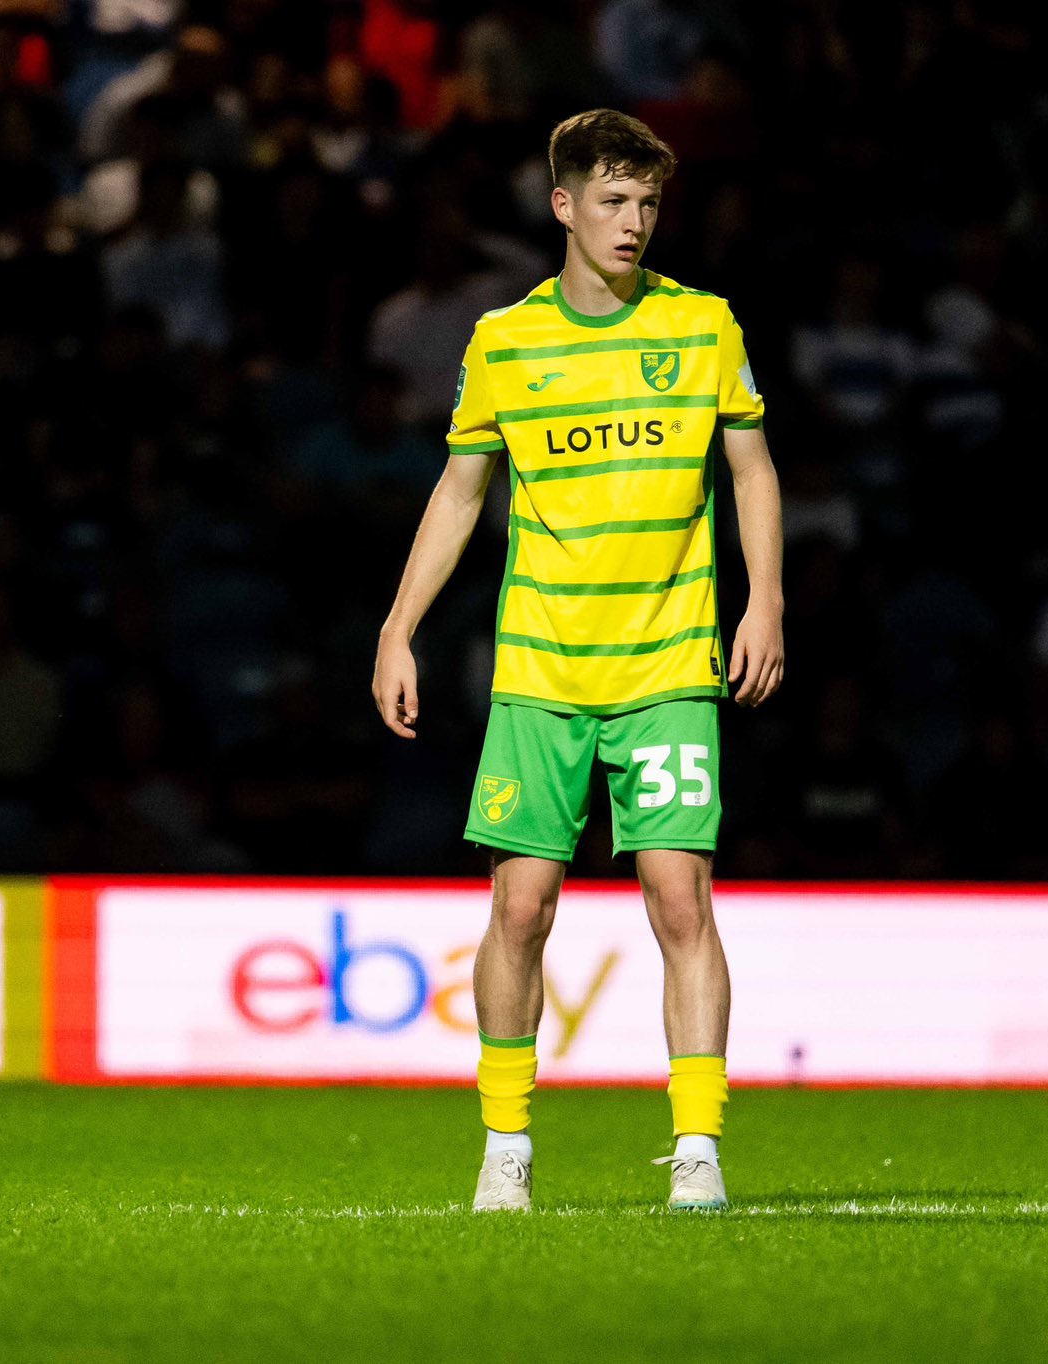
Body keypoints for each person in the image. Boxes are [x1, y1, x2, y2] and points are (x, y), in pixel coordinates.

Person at [370, 110, 784, 1214]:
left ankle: (696, 1148)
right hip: (541, 669)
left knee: (679, 897)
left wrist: (765, 601)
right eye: (611, 201)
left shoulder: (702, 327)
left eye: (646, 203)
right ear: (562, 206)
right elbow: (460, 490)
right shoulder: (503, 340)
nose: (632, 222)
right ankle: (505, 1142)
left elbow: (748, 468)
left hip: (663, 662)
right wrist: (397, 625)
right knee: (518, 908)